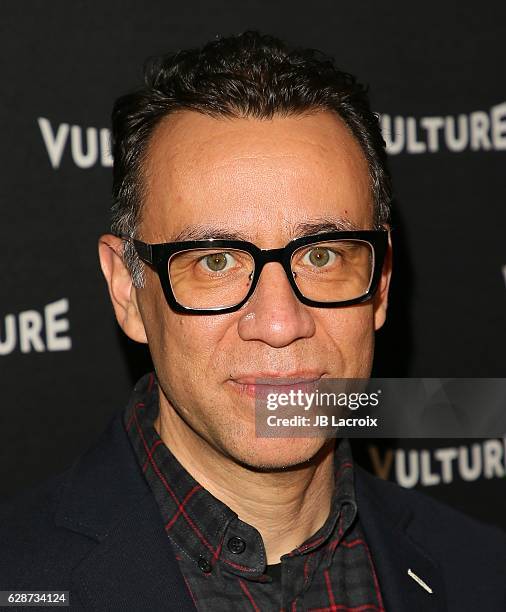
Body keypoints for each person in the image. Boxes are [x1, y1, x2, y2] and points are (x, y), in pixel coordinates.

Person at [1, 31, 505, 611]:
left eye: (322, 256)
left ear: (382, 282)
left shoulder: (483, 572)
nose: (279, 322)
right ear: (127, 291)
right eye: (216, 262)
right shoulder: (19, 577)